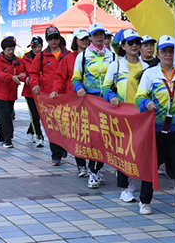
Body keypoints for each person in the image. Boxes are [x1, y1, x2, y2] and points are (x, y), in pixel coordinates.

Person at [134, 35, 175, 228]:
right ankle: (145, 200)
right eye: (164, 51)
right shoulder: (150, 74)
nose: (168, 55)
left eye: (171, 51)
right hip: (155, 130)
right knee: (152, 165)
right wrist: (147, 103)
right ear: (158, 54)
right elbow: (138, 98)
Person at [102, 29, 148, 203]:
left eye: (137, 42)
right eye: (130, 42)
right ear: (123, 45)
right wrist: (111, 97)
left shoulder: (146, 67)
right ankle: (124, 188)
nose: (134, 45)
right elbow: (105, 87)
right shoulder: (116, 65)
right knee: (123, 150)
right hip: (122, 114)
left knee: (139, 150)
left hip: (141, 115)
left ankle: (135, 180)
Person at [72, 22, 116, 187]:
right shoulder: (83, 56)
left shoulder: (112, 56)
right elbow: (76, 78)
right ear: (90, 37)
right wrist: (79, 88)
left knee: (105, 136)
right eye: (96, 35)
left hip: (107, 101)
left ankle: (98, 169)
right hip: (90, 101)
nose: (99, 38)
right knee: (93, 136)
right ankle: (92, 171)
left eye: (101, 34)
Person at [50, 27, 90, 177]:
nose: (85, 41)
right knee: (78, 134)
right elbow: (59, 77)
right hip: (74, 102)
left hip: (93, 102)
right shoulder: (69, 58)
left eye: (86, 38)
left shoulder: (95, 56)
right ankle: (81, 166)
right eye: (81, 39)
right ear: (75, 41)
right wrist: (55, 90)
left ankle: (95, 167)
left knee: (92, 134)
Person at [29, 26, 71, 164]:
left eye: (56, 37)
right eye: (50, 38)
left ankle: (63, 146)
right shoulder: (42, 56)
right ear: (47, 40)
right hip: (48, 97)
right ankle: (56, 154)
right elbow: (33, 73)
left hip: (65, 95)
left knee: (65, 124)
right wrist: (35, 84)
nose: (54, 41)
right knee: (53, 125)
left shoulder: (68, 55)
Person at [0, 37, 24, 148]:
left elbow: (22, 73)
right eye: (8, 50)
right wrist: (12, 77)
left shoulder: (18, 61)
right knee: (6, 115)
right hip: (0, 93)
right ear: (4, 50)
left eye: (12, 49)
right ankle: (8, 139)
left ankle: (0, 135)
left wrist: (24, 77)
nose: (11, 52)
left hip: (12, 93)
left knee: (7, 115)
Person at [19, 36, 45, 146]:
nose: (36, 49)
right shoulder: (26, 58)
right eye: (34, 47)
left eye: (39, 47)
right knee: (34, 114)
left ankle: (30, 131)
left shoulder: (45, 57)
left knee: (39, 114)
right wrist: (25, 78)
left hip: (43, 90)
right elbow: (21, 73)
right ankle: (39, 136)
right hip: (29, 91)